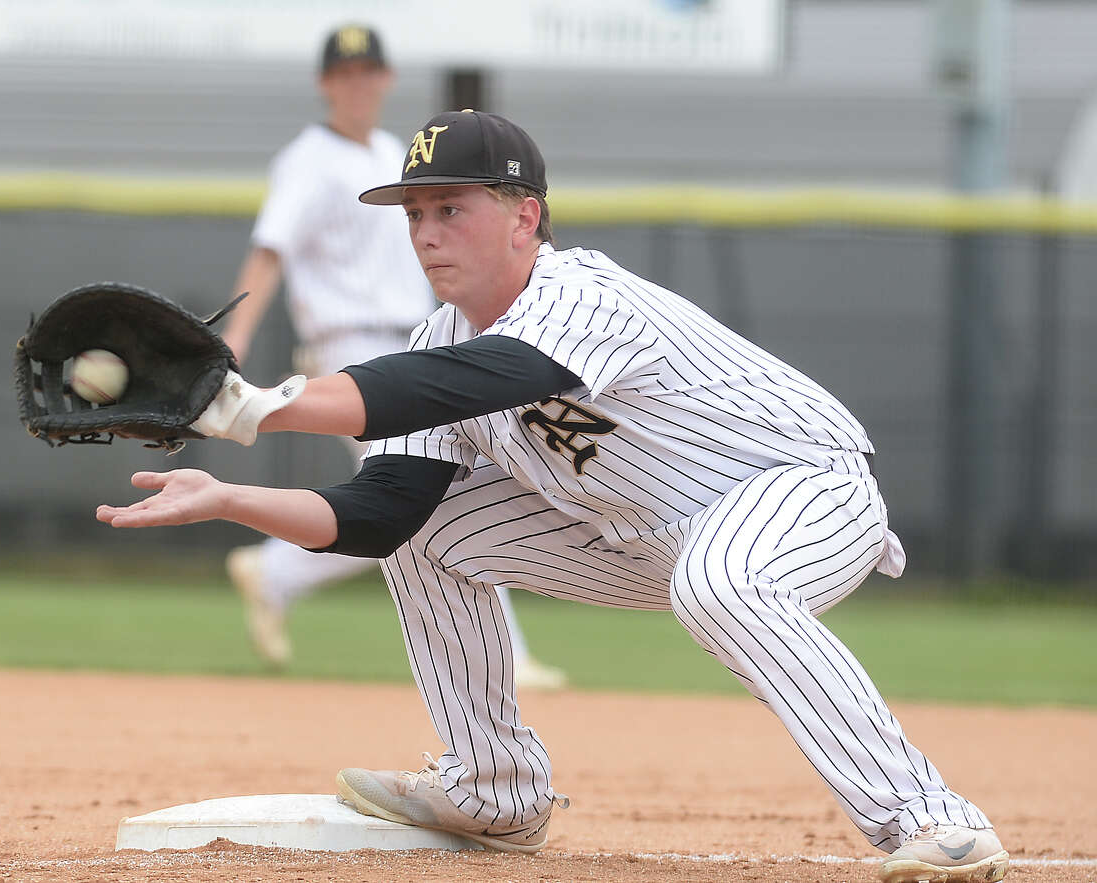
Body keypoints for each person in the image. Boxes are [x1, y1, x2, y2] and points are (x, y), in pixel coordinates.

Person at [96, 110, 1009, 881]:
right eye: (413, 212)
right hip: (641, 535)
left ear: (525, 216)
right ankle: (494, 792)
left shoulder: (582, 296)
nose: (425, 232)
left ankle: (932, 818)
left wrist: (251, 407)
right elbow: (379, 513)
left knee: (725, 581)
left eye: (450, 207)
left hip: (804, 489)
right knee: (428, 529)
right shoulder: (437, 337)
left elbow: (474, 378)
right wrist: (228, 496)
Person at [216, 26, 567, 690]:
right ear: (326, 84)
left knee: (424, 501)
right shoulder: (308, 160)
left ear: (387, 79)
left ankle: (277, 570)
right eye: (346, 73)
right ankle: (509, 659)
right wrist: (236, 337)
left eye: (369, 71)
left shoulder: (391, 153)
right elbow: (271, 250)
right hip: (350, 343)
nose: (359, 83)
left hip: (420, 339)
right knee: (430, 499)